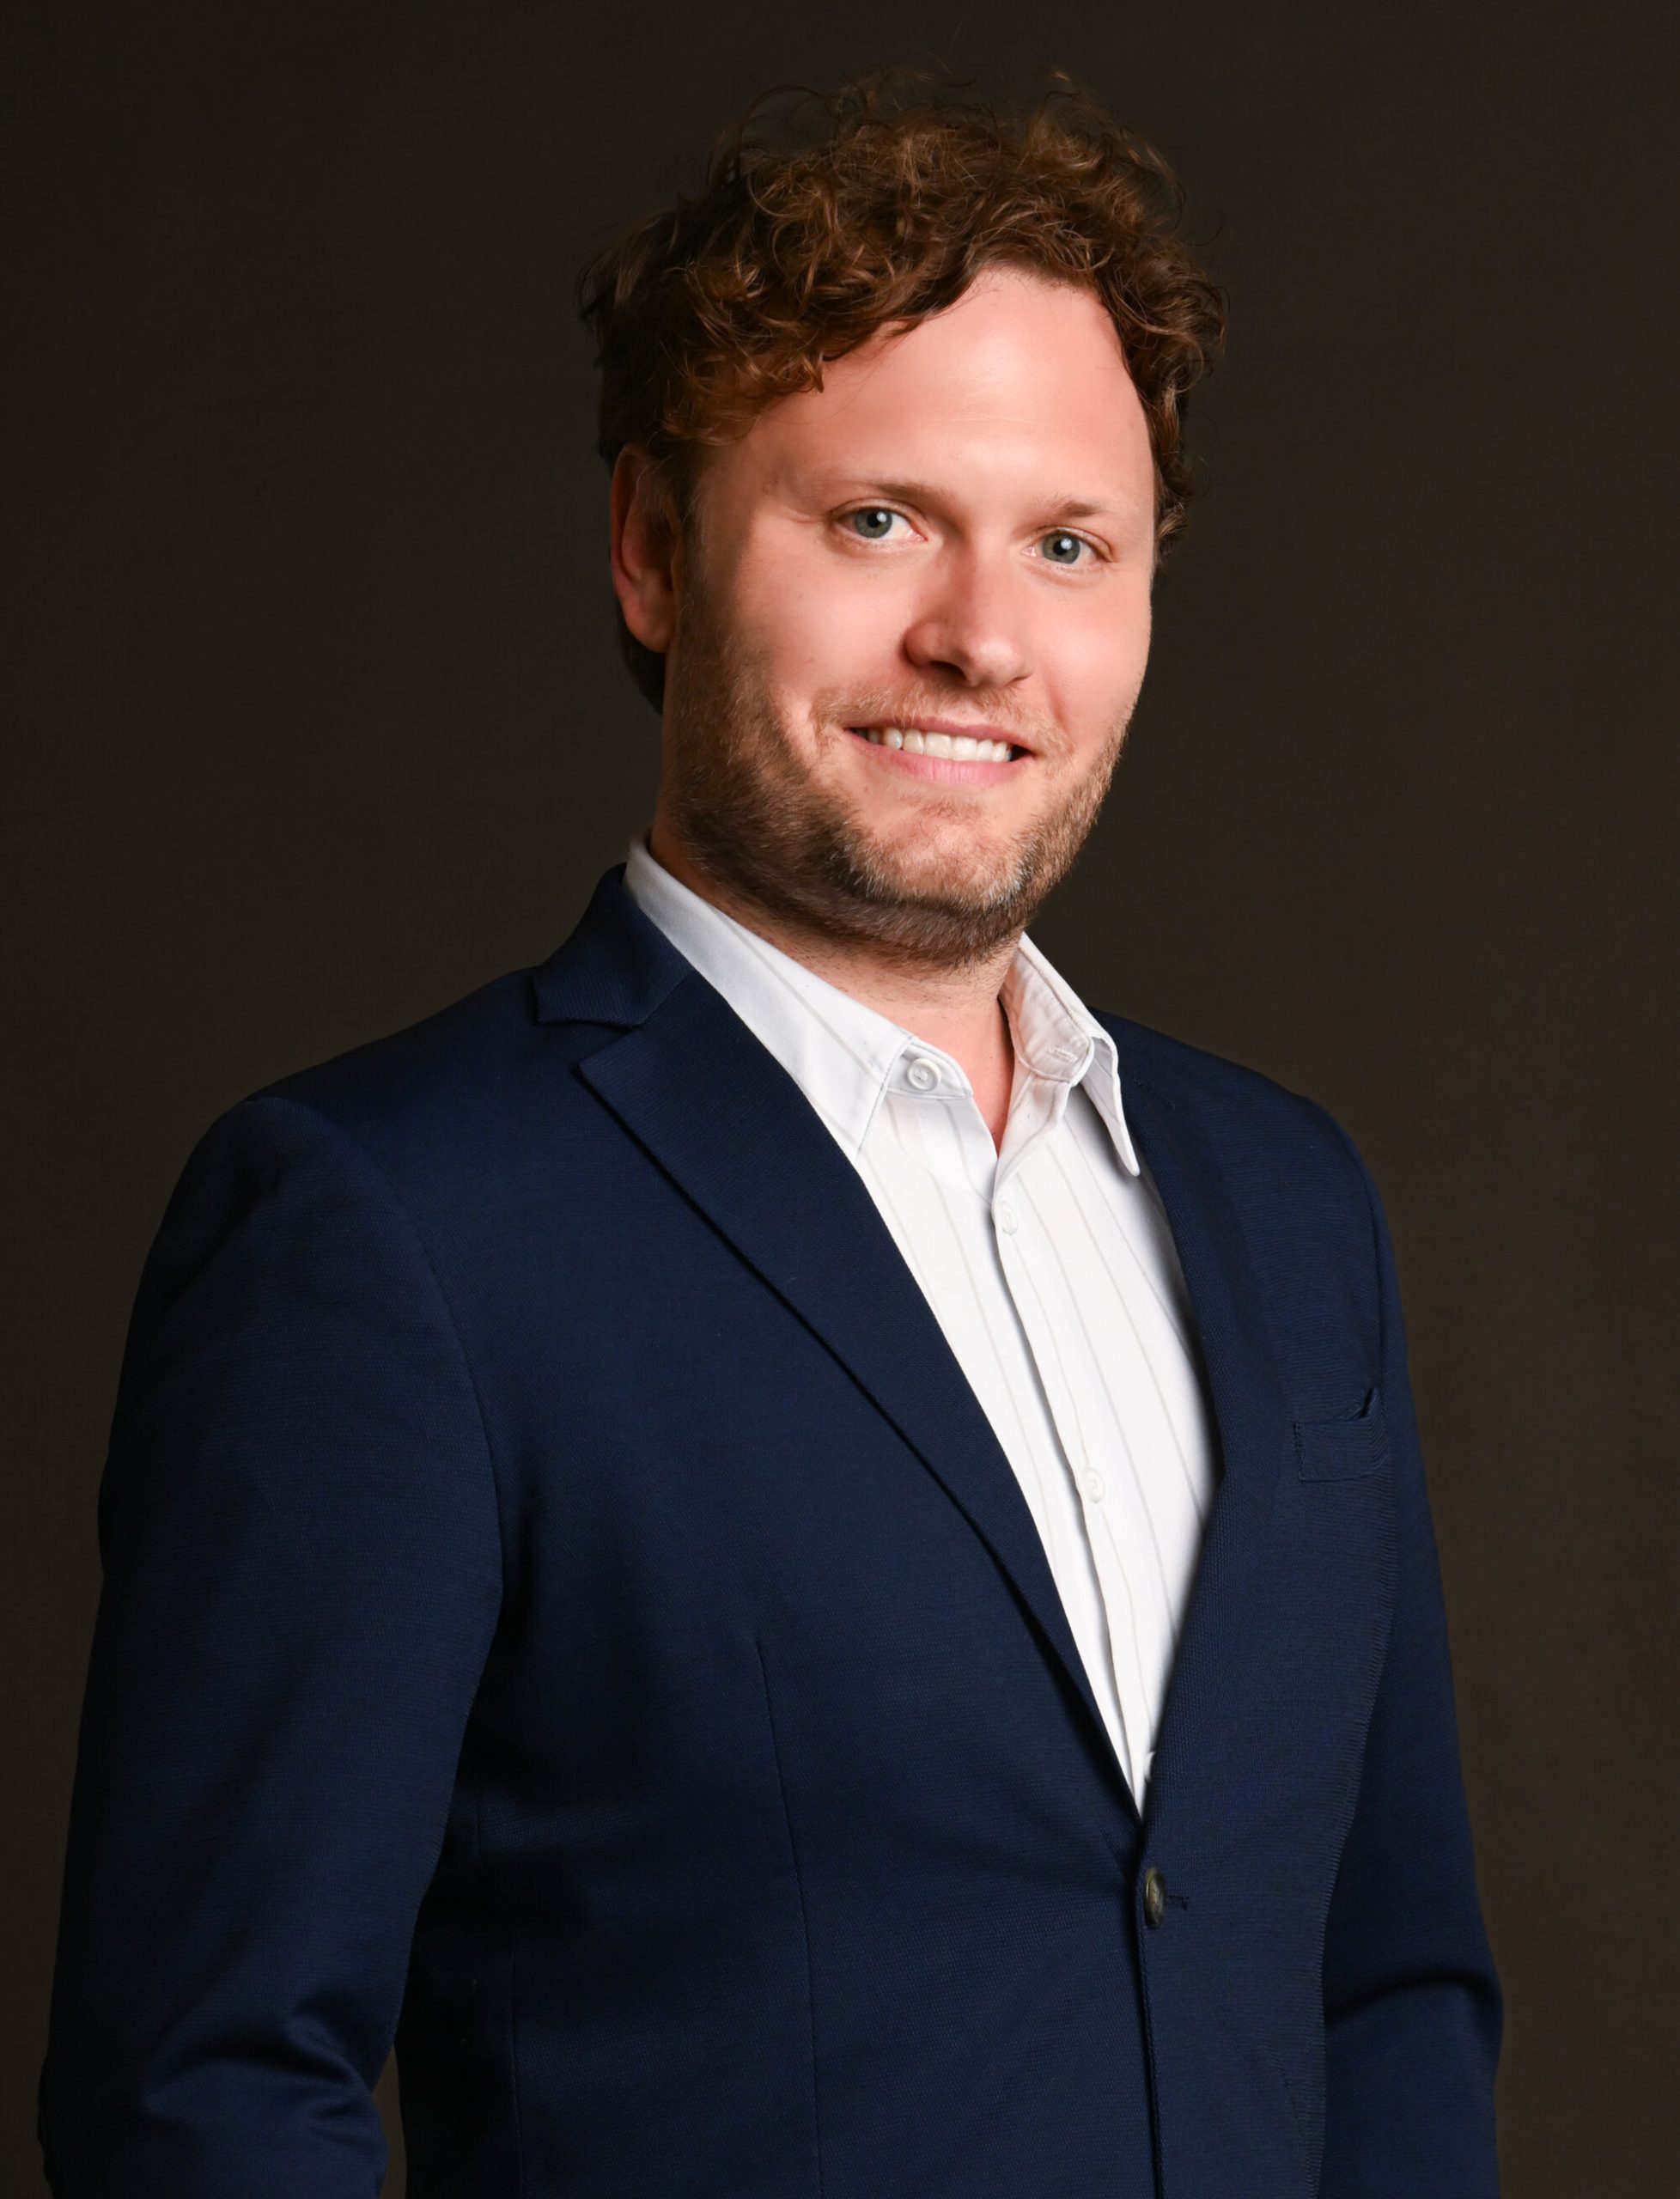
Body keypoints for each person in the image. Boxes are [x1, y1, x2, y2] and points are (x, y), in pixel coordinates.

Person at [39, 66, 1501, 2199]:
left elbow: (1388, 1982)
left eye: (1068, 543)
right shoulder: (384, 1225)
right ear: (654, 549)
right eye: (878, 518)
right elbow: (206, 2092)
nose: (981, 637)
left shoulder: (1292, 1204)